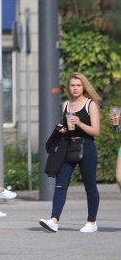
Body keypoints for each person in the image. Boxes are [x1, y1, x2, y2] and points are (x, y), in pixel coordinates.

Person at [39, 72, 102, 233]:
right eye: (72, 85)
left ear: (83, 87)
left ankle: (92, 222)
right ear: (68, 88)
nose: (75, 88)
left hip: (86, 146)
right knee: (60, 184)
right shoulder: (65, 105)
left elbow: (96, 131)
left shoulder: (90, 104)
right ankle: (54, 220)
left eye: (78, 85)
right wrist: (62, 129)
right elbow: (66, 126)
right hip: (68, 146)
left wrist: (79, 123)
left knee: (90, 186)